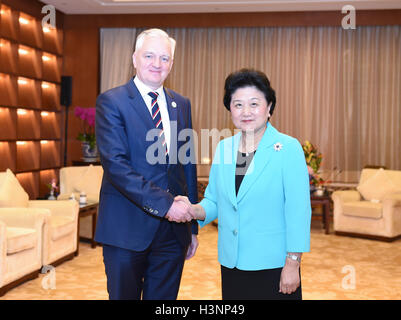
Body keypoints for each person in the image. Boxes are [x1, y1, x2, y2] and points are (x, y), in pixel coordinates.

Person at [178, 68, 311, 300]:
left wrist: (293, 263)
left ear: (269, 107)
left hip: (273, 265)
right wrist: (192, 209)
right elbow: (214, 201)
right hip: (233, 262)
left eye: (254, 104)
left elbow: (298, 211)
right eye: (238, 104)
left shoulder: (288, 148)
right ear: (229, 109)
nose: (246, 111)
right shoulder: (225, 149)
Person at [95, 28, 198, 300]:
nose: (157, 63)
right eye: (149, 55)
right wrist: (166, 206)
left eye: (164, 58)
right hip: (126, 229)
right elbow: (116, 166)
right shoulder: (111, 101)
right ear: (135, 58)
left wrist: (192, 228)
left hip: (173, 233)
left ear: (172, 64)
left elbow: (186, 165)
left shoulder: (182, 104)